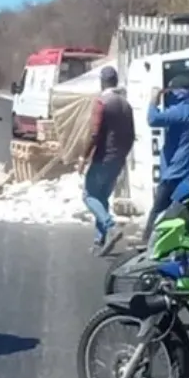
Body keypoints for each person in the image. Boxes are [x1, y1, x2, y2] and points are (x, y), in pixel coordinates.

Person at [76, 66, 135, 255]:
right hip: (119, 158)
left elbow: (94, 134)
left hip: (103, 157)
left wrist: (83, 157)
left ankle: (110, 227)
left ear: (102, 82)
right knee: (102, 197)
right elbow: (132, 134)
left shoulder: (102, 102)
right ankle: (99, 241)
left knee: (89, 196)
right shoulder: (126, 105)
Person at [142, 75, 189, 243]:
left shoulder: (183, 110)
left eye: (171, 92)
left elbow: (153, 119)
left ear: (179, 92)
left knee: (158, 210)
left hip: (175, 171)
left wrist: (154, 100)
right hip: (188, 169)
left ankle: (147, 242)